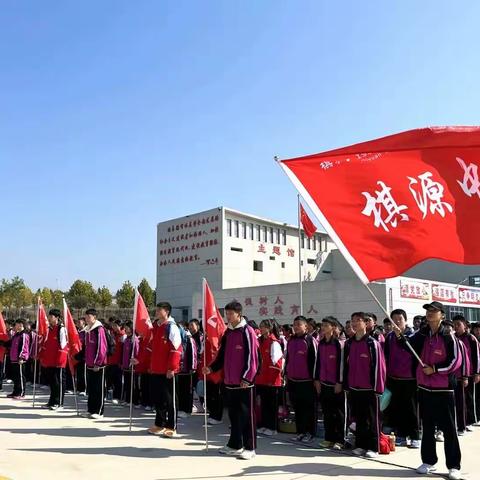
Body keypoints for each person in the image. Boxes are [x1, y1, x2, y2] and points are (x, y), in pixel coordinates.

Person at [410, 302, 462, 480]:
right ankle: (428, 461)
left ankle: (454, 465)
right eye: (428, 311)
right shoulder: (423, 334)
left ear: (442, 315)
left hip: (444, 389)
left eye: (434, 311)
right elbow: (408, 347)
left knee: (448, 429)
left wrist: (435, 369)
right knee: (428, 427)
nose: (430, 313)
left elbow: (455, 361)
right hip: (425, 388)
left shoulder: (448, 335)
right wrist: (401, 336)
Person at [204, 301, 259, 460]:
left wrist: (247, 378)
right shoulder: (227, 333)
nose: (227, 317)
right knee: (234, 416)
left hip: (244, 383)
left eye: (230, 314)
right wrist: (211, 368)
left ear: (239, 314)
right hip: (229, 381)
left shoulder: (247, 332)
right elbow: (221, 356)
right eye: (226, 314)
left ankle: (250, 447)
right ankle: (235, 444)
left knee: (247, 416)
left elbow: (253, 358)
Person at [343, 312, 386, 458]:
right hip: (354, 387)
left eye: (358, 321)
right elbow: (346, 366)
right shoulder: (349, 343)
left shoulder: (372, 343)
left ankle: (373, 447)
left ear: (366, 323)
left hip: (369, 388)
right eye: (352, 321)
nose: (354, 324)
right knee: (359, 418)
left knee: (372, 419)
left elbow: (378, 367)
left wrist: (377, 388)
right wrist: (347, 385)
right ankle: (361, 445)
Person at [384, 309, 420, 448]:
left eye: (400, 319)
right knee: (397, 408)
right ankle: (401, 435)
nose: (397, 322)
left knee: (411, 409)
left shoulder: (413, 335)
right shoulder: (390, 337)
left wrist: (401, 336)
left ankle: (415, 436)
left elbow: (411, 350)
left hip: (410, 379)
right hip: (394, 378)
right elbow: (386, 356)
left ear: (405, 320)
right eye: (394, 319)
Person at [148, 302, 182, 438]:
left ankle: (171, 426)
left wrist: (172, 368)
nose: (156, 312)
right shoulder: (156, 327)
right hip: (156, 370)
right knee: (158, 399)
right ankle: (159, 424)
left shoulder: (171, 327)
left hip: (168, 371)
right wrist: (141, 361)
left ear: (166, 311)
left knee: (170, 400)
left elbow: (176, 349)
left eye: (159, 310)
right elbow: (150, 348)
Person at [285, 315, 317, 444]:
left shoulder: (310, 340)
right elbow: (287, 359)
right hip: (293, 380)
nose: (296, 327)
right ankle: (300, 432)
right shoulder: (291, 340)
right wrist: (286, 374)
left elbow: (315, 361)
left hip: (307, 381)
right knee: (297, 408)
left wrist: (314, 379)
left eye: (299, 324)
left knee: (309, 408)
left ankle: (310, 433)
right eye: (295, 324)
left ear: (306, 326)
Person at [315, 316, 345, 449]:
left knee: (338, 413)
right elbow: (318, 363)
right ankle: (329, 438)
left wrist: (340, 381)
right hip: (324, 382)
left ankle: (340, 440)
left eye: (326, 325)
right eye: (322, 325)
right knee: (327, 412)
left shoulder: (339, 344)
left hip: (336, 384)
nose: (323, 328)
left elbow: (341, 364)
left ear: (333, 327)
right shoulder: (321, 343)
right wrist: (317, 380)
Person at [256, 319, 283, 436]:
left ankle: (272, 428)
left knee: (272, 405)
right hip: (262, 379)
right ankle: (264, 425)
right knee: (264, 404)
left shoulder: (274, 342)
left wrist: (271, 380)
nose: (261, 329)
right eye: (260, 326)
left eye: (264, 327)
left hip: (271, 380)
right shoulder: (260, 341)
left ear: (269, 328)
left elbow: (277, 364)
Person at [453, 315, 480, 429]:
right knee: (459, 400)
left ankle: (470, 420)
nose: (456, 327)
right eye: (454, 325)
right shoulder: (452, 337)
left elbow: (477, 357)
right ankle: (462, 422)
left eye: (458, 324)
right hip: (456, 374)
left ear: (464, 325)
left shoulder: (471, 338)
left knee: (469, 399)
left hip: (469, 374)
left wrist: (477, 373)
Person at [41, 309, 68, 410]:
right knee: (52, 383)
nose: (49, 318)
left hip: (58, 362)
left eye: (51, 316)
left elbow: (63, 346)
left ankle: (59, 403)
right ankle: (52, 401)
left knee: (59, 382)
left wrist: (60, 361)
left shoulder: (61, 329)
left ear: (57, 317)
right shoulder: (49, 329)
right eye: (49, 316)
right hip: (50, 361)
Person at [83, 308, 108, 419]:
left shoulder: (99, 330)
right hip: (89, 364)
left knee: (99, 388)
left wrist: (98, 363)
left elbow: (101, 348)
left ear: (94, 317)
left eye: (89, 317)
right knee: (91, 389)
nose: (87, 319)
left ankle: (99, 411)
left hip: (98, 365)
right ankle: (91, 410)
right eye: (86, 317)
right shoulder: (88, 330)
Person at [177, 323, 198, 417]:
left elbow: (194, 354)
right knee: (179, 390)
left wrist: (193, 367)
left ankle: (186, 409)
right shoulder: (176, 339)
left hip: (186, 369)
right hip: (178, 369)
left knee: (186, 390)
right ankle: (179, 408)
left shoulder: (189, 339)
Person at [7, 319, 31, 399]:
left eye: (16, 324)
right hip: (13, 359)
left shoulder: (24, 335)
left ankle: (21, 393)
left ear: (21, 325)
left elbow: (24, 347)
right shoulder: (16, 335)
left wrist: (21, 357)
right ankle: (15, 392)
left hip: (20, 359)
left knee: (21, 376)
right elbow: (10, 343)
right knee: (15, 377)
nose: (15, 326)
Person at [106, 318, 125, 405]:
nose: (113, 327)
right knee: (110, 379)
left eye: (115, 325)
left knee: (118, 380)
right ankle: (110, 395)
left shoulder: (122, 335)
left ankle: (118, 397)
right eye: (113, 325)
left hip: (118, 362)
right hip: (110, 360)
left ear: (120, 326)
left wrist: (121, 362)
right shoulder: (113, 334)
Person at [121, 321, 140, 406]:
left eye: (127, 328)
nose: (125, 329)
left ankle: (134, 401)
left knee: (133, 385)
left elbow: (136, 352)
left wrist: (133, 363)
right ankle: (128, 400)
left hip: (132, 366)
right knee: (127, 384)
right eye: (125, 328)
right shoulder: (126, 339)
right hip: (125, 365)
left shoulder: (134, 339)